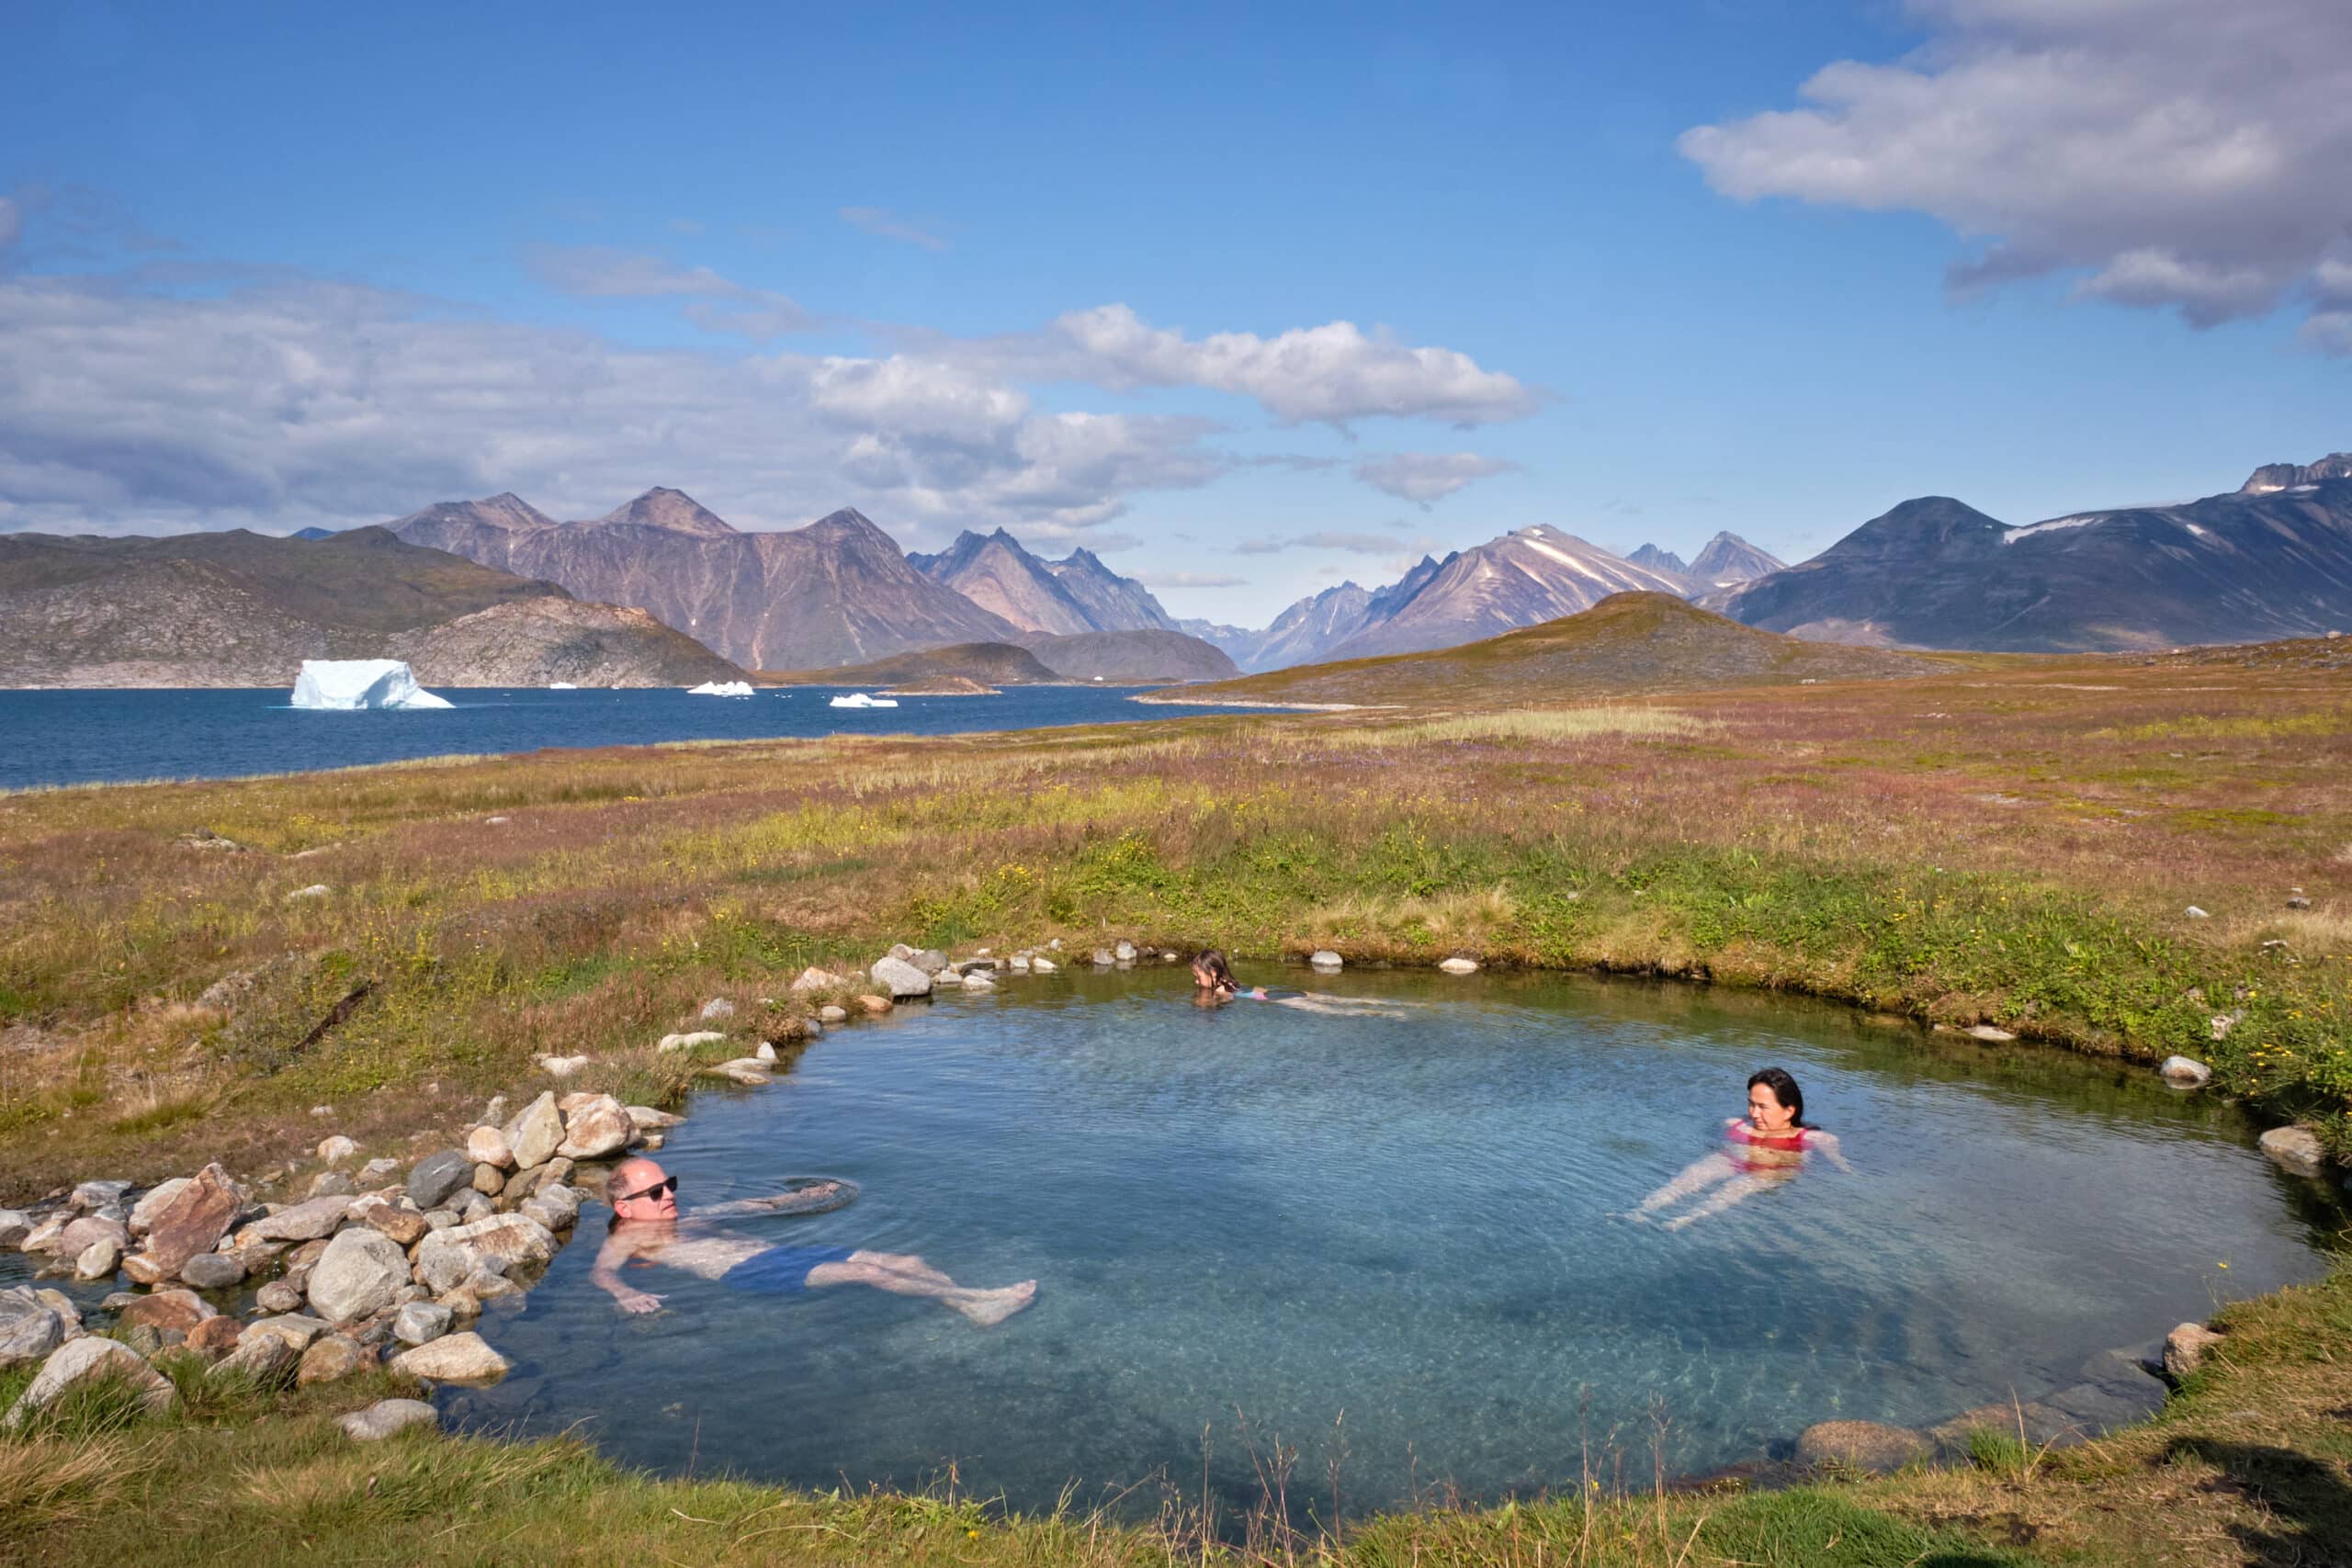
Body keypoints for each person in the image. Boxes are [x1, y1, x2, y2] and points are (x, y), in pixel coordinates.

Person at [588, 1156, 1036, 1325]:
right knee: (868, 1272)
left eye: (670, 1184)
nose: (669, 1195)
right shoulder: (630, 1236)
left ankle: (970, 1308)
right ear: (624, 1206)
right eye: (655, 1192)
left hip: (781, 1255)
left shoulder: (690, 1214)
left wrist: (800, 1197)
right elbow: (602, 1270)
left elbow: (748, 1208)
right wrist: (626, 1292)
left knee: (906, 1259)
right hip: (749, 1273)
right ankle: (979, 1296)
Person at [1623, 1067, 1853, 1230]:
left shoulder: (1818, 1138)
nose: (1754, 1113)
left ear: (1789, 1111)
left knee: (1733, 1190)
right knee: (1691, 1177)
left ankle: (1685, 1220)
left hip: (1774, 1168)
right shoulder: (1736, 1125)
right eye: (1751, 1104)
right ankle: (1640, 1212)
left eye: (1763, 1107)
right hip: (1734, 1158)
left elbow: (1843, 1170)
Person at [1190, 950, 1404, 1016]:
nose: (1196, 980)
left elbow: (1223, 1002)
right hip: (1284, 991)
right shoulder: (1232, 982)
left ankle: (1384, 1012)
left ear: (1213, 971)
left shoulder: (1220, 990)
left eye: (1198, 976)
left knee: (1337, 1011)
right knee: (1341, 1001)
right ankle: (1396, 1006)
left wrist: (1203, 1004)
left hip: (1276, 999)